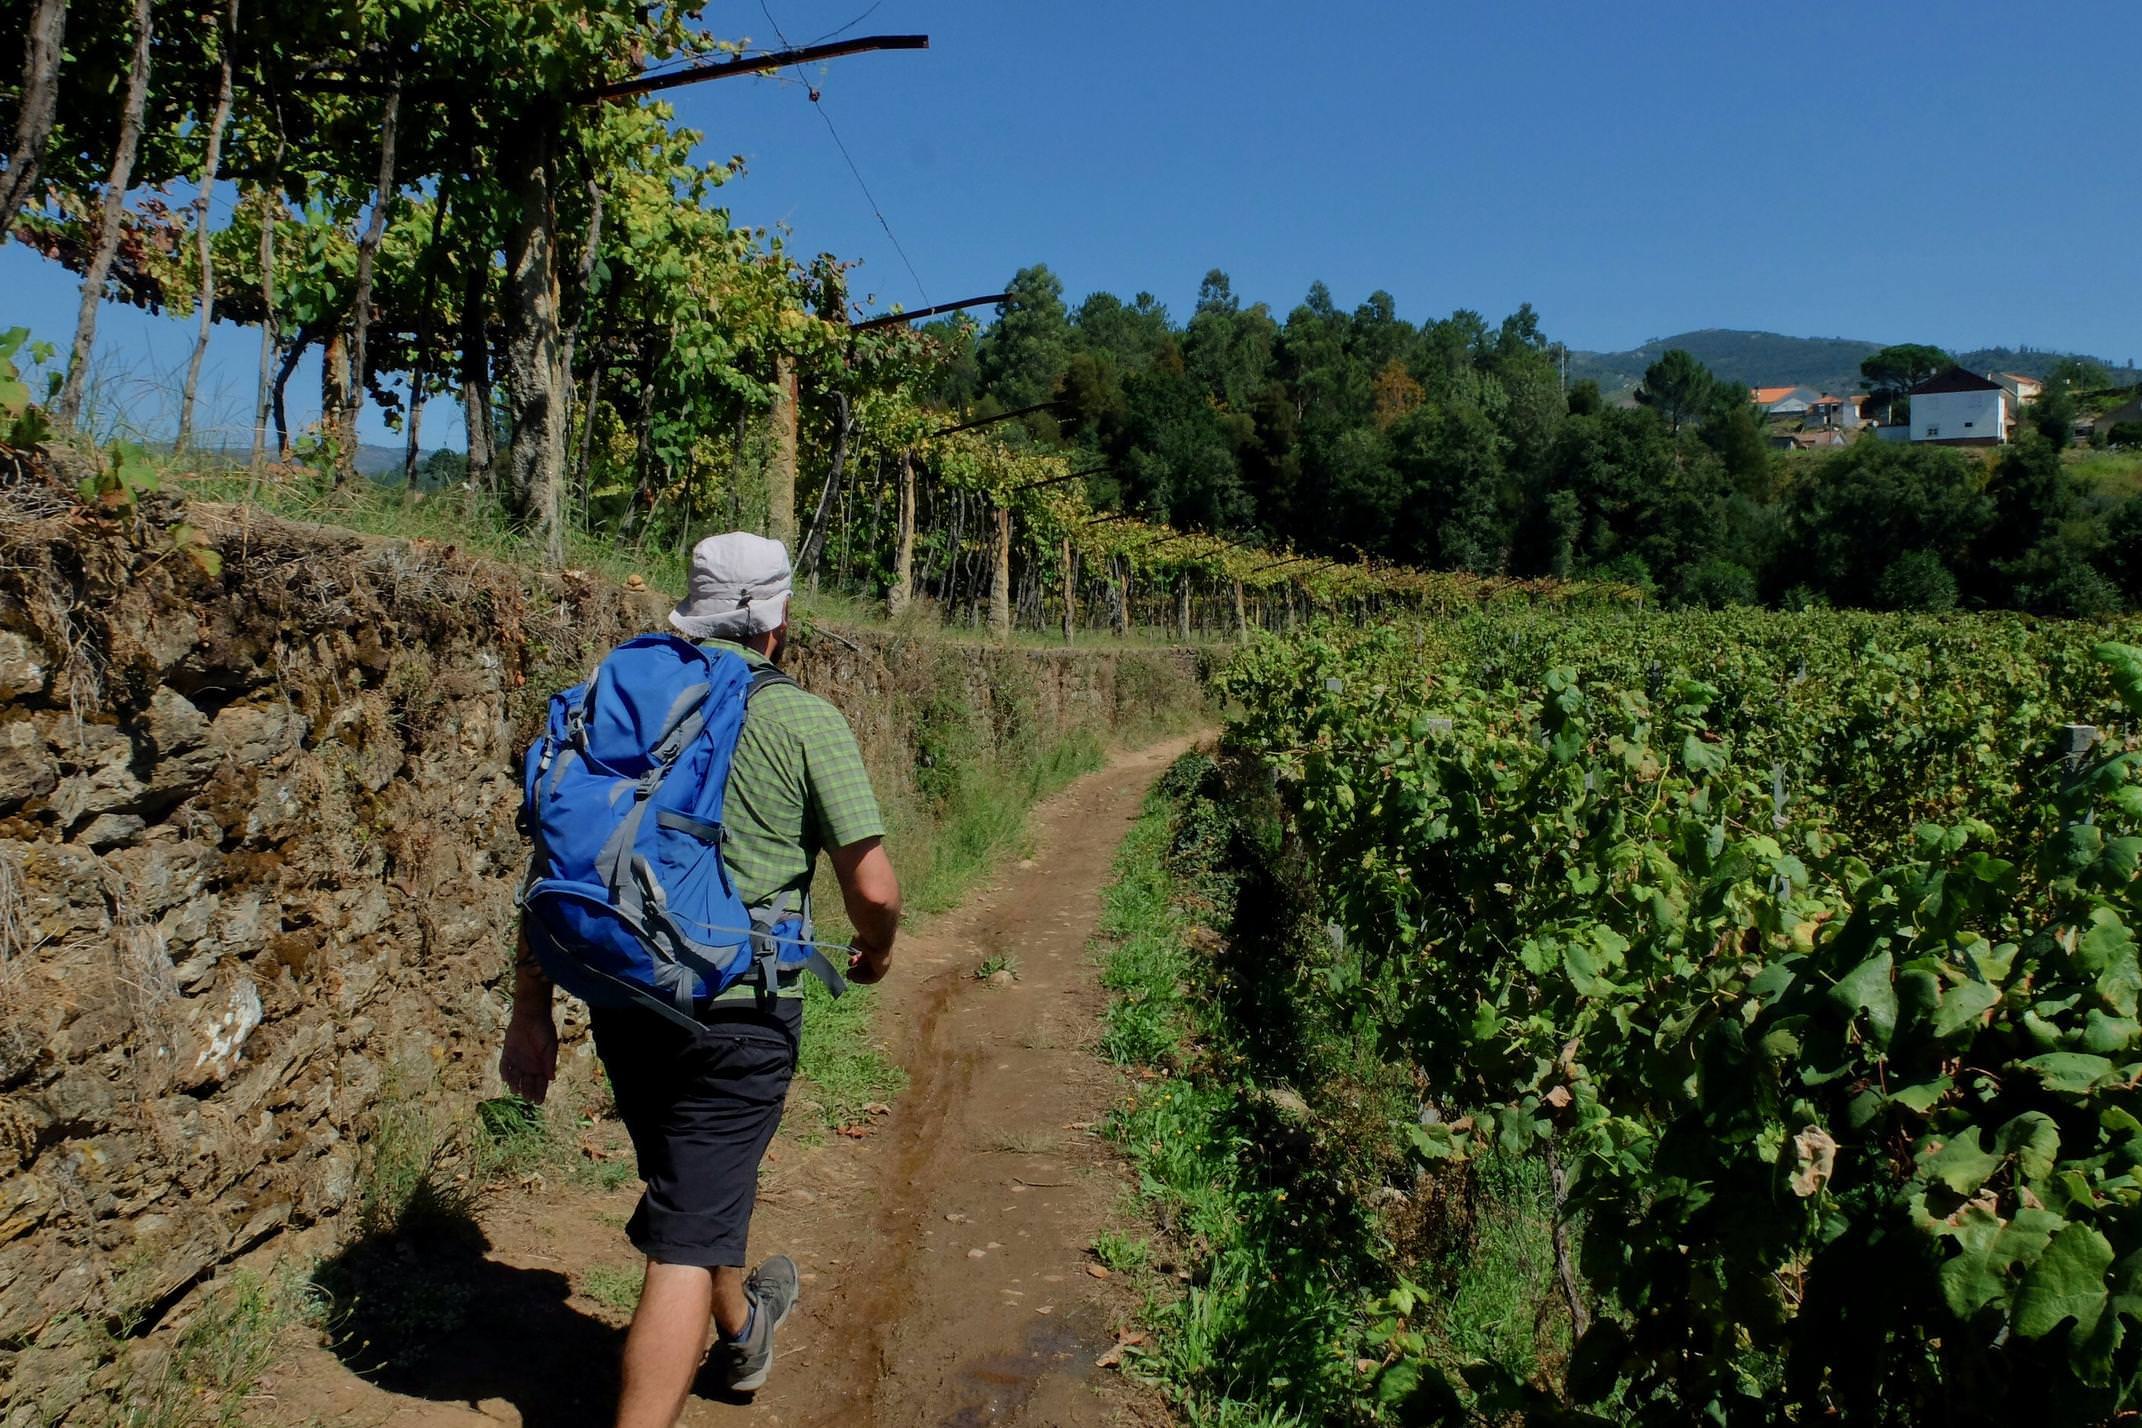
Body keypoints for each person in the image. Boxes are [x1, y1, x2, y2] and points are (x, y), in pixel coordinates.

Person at [499, 532, 902, 1427]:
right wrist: (877, 950)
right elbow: (871, 887)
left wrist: (530, 1010)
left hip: (625, 990)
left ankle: (744, 1328)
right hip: (740, 1015)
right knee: (684, 1236)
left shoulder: (624, 697)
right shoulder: (804, 719)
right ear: (776, 620)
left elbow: (553, 858)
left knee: (692, 1191)